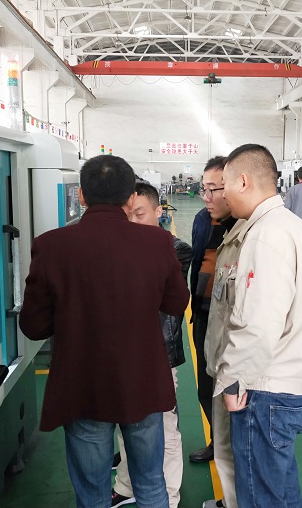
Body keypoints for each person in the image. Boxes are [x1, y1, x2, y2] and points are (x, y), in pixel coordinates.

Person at [19, 155, 190, 508]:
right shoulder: (157, 243)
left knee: (92, 493)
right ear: (131, 197)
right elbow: (176, 303)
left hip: (82, 387)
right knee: (151, 484)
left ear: (81, 195)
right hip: (142, 383)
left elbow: (34, 326)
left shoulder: (51, 245)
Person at [214, 144, 302, 507]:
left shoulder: (264, 234)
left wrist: (233, 379)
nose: (223, 195)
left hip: (262, 389)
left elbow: (257, 324)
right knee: (280, 489)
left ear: (243, 181)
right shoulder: (296, 228)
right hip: (289, 384)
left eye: (225, 184)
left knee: (259, 495)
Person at [112, 182, 192, 508]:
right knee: (124, 423)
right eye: (127, 215)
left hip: (159, 354)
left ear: (159, 212)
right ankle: (126, 485)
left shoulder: (177, 249)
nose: (132, 222)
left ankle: (169, 495)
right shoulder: (120, 247)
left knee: (164, 428)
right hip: (123, 354)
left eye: (140, 214)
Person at [189, 155, 238, 464]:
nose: (206, 197)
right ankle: (216, 442)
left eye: (212, 189)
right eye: (203, 189)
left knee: (231, 387)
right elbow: (198, 263)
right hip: (204, 313)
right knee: (205, 386)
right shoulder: (201, 219)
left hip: (232, 320)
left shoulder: (245, 226)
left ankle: (233, 448)